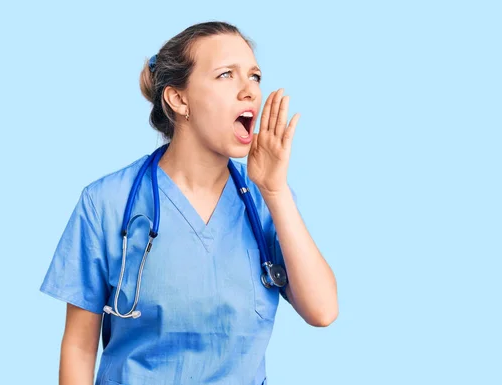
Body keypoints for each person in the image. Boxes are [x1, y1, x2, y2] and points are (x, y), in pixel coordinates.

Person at [39, 21, 338, 385]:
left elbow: (323, 311)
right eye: (227, 75)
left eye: (255, 77)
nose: (250, 92)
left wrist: (275, 191)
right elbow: (79, 348)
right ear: (179, 99)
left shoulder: (266, 201)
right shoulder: (106, 203)